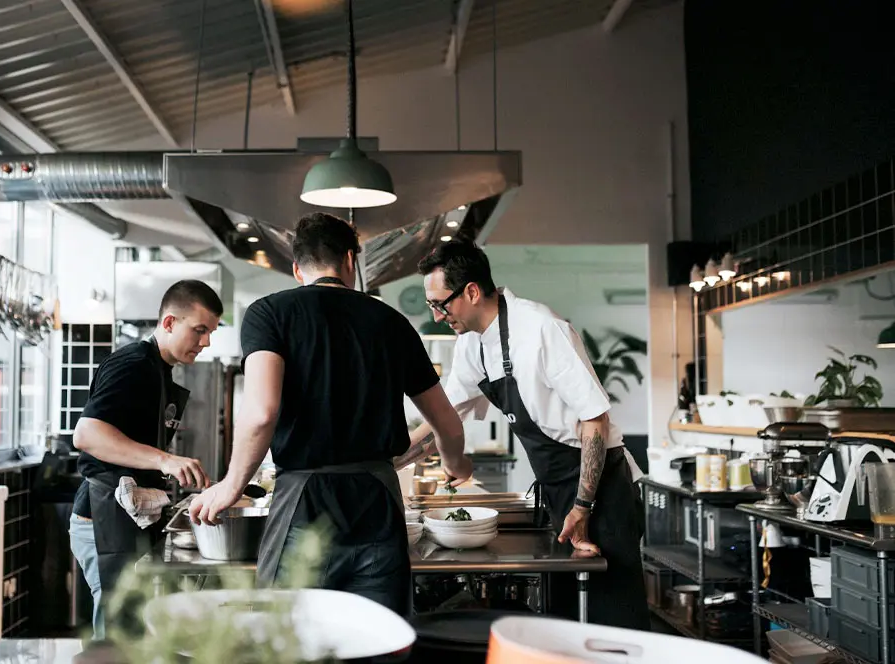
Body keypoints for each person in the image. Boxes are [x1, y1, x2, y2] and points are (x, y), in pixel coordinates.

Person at [189, 212, 471, 616]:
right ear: (351, 262)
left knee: (292, 639)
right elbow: (447, 423)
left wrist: (232, 486)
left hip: (305, 500)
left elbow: (262, 411)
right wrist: (454, 462)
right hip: (377, 502)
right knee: (379, 637)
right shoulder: (392, 322)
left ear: (296, 268)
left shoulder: (269, 314)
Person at [406, 240, 649, 631]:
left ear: (470, 291)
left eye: (440, 304)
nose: (436, 316)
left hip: (602, 488)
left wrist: (583, 506)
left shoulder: (541, 328)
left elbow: (595, 422)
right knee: (567, 611)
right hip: (556, 490)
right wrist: (392, 458)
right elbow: (443, 417)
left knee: (612, 612)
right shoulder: (471, 345)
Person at [69, 280, 220, 638]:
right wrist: (165, 460)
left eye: (211, 332)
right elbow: (86, 435)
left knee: (135, 630)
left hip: (124, 516)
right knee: (117, 633)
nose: (206, 342)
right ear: (169, 323)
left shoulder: (158, 368)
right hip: (101, 518)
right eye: (199, 330)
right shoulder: (133, 364)